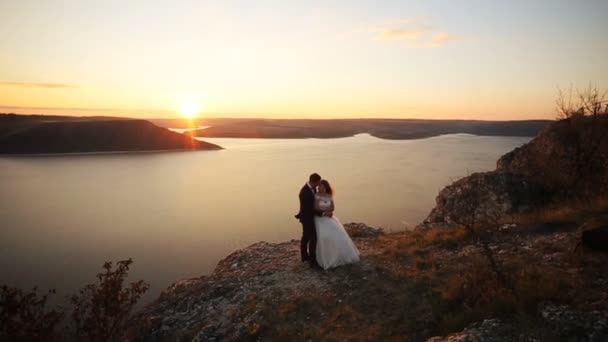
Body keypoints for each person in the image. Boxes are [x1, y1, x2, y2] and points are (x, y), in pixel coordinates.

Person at [313, 180, 360, 270]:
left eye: (322, 187)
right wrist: (324, 212)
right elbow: (316, 207)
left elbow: (332, 207)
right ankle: (325, 257)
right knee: (323, 236)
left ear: (326, 187)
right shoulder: (316, 196)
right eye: (319, 187)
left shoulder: (329, 196)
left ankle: (338, 255)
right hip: (320, 219)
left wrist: (328, 212)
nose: (320, 188)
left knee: (336, 234)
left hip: (329, 217)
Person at [295, 173, 323, 269]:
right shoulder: (305, 192)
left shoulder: (312, 188)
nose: (319, 184)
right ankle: (312, 261)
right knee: (313, 238)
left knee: (306, 237)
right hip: (307, 218)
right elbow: (309, 208)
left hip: (308, 217)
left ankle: (304, 256)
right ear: (314, 181)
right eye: (319, 182)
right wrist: (321, 214)